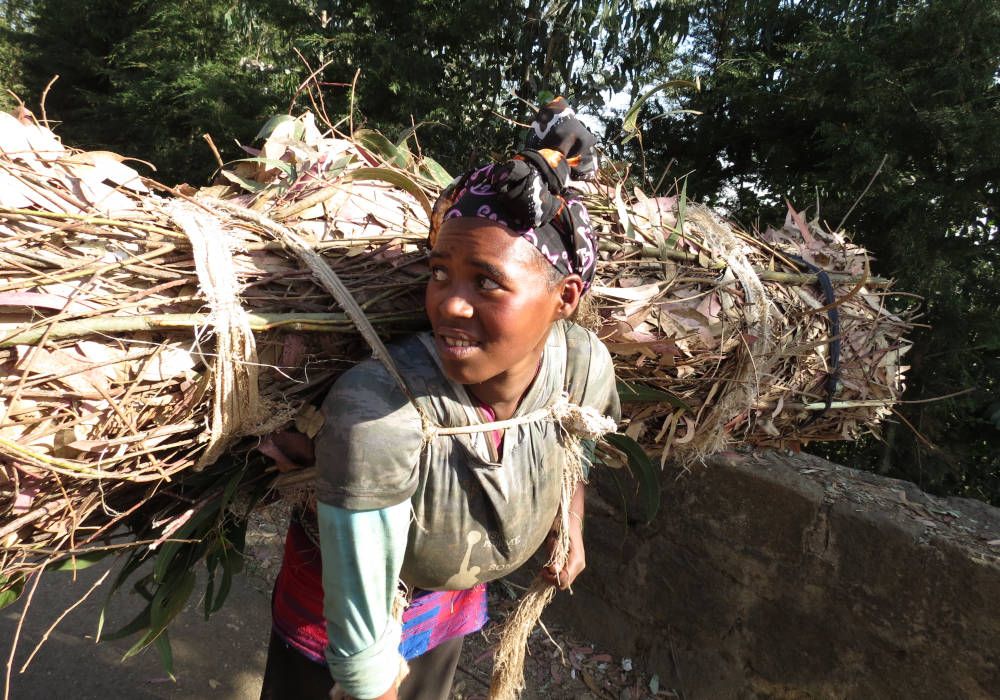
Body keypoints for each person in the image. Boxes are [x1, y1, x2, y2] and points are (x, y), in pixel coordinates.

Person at [259, 97, 620, 700]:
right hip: (338, 623)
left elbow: (577, 438)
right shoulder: (381, 411)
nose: (449, 303)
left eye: (486, 282)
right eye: (439, 272)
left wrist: (570, 521)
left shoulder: (582, 365)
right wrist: (370, 681)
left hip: (447, 612)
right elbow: (360, 643)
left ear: (566, 296)